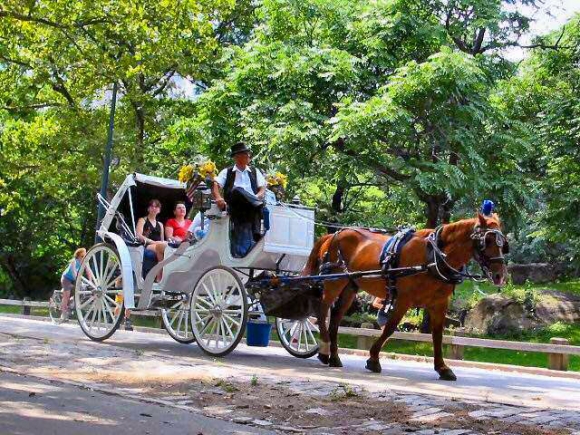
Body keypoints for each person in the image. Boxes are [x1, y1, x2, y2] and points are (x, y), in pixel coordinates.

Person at [212, 142, 266, 257]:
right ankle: (256, 205)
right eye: (245, 155)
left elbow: (262, 189)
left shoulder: (254, 171)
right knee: (238, 190)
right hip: (235, 204)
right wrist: (218, 198)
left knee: (250, 200)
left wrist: (256, 197)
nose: (247, 157)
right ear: (237, 157)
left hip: (250, 206)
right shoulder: (228, 171)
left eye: (247, 155)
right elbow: (216, 184)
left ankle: (255, 233)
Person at [136, 199, 166, 282]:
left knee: (164, 247)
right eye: (152, 206)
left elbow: (162, 239)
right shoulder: (142, 220)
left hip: (158, 244)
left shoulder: (160, 224)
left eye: (156, 207)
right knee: (160, 246)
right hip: (146, 245)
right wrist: (154, 242)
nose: (154, 208)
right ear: (148, 209)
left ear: (159, 210)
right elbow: (138, 235)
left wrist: (162, 243)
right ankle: (159, 276)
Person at [59, 248, 86, 322]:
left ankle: (70, 303)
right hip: (66, 278)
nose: (83, 257)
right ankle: (63, 313)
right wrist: (78, 280)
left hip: (73, 280)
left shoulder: (82, 263)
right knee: (66, 296)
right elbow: (74, 273)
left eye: (84, 256)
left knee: (79, 292)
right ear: (78, 256)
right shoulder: (73, 261)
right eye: (82, 256)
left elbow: (86, 272)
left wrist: (88, 281)